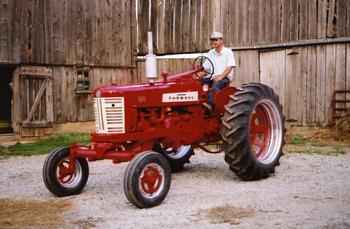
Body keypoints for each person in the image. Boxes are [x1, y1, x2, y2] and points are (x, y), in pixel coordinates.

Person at [201, 32, 236, 112]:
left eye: (215, 40)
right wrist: (200, 74)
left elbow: (230, 67)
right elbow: (206, 68)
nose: (213, 42)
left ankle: (212, 105)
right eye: (211, 40)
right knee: (198, 84)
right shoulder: (210, 53)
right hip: (212, 77)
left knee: (215, 86)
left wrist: (221, 77)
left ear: (221, 40)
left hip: (224, 78)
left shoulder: (228, 52)